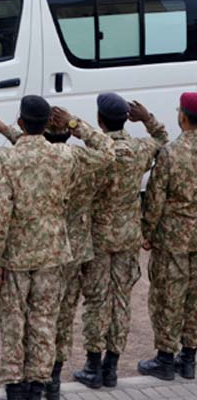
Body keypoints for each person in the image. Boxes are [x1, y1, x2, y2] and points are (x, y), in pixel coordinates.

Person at [0, 96, 115, 400]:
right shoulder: (65, 155)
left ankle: (16, 386)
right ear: (48, 124)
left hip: (16, 254)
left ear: (20, 122)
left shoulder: (7, 159)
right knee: (45, 320)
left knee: (14, 321)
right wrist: (74, 124)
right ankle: (38, 384)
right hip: (52, 253)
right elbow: (108, 152)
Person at [75, 94, 168, 390]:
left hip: (99, 237)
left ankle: (93, 364)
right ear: (126, 118)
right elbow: (162, 138)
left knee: (96, 300)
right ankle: (112, 366)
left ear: (100, 120)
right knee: (121, 301)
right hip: (128, 236)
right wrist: (147, 117)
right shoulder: (140, 149)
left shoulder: (96, 153)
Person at [139, 92, 197, 381]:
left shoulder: (171, 153)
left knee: (167, 297)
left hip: (173, 238)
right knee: (194, 298)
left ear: (183, 117)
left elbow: (155, 199)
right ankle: (189, 359)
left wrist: (147, 232)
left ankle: (165, 358)